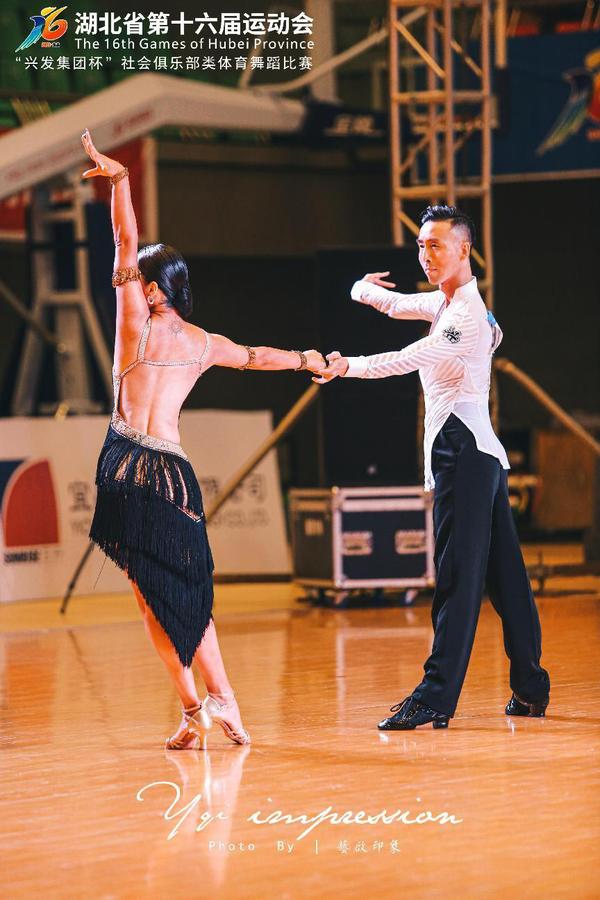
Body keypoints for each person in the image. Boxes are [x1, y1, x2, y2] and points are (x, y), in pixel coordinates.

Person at [81, 130, 326, 750]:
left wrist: (121, 182)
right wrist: (306, 359)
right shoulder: (197, 340)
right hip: (165, 474)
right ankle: (205, 705)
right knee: (173, 597)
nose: (132, 283)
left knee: (160, 600)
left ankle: (209, 704)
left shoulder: (137, 324)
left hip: (129, 468)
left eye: (140, 278)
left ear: (155, 287)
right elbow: (257, 355)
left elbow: (123, 240)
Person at [313, 205, 550, 730]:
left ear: (465, 249)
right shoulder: (445, 302)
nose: (426, 255)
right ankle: (531, 687)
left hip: (463, 453)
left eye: (436, 245)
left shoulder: (465, 316)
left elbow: (408, 357)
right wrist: (360, 287)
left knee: (458, 578)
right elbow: (396, 304)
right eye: (421, 245)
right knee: (506, 577)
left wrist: (346, 367)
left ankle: (435, 697)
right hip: (477, 453)